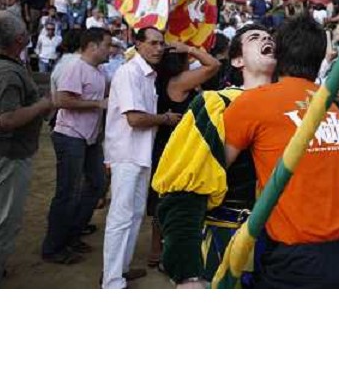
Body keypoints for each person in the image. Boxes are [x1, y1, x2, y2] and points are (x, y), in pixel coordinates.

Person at [223, 15, 339, 288]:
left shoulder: (251, 103)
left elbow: (216, 169)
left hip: (302, 260)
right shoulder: (328, 105)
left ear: (278, 53)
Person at [154, 24, 274, 288]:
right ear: (237, 60)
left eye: (269, 37)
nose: (266, 38)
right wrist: (187, 275)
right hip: (227, 242)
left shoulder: (295, 106)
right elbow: (182, 191)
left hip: (280, 249)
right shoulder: (216, 104)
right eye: (255, 38)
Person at [101, 28, 182, 289]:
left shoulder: (146, 75)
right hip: (126, 153)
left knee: (134, 215)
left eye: (161, 44)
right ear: (138, 44)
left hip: (139, 153)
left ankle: (120, 271)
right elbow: (135, 119)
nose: (159, 48)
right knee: (120, 217)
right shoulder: (129, 73)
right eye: (153, 43)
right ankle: (112, 281)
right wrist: (165, 119)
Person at [145, 42, 220, 269]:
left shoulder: (161, 79)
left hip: (164, 144)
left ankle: (156, 250)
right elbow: (214, 64)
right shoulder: (179, 81)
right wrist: (190, 48)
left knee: (162, 196)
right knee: (175, 198)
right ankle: (162, 251)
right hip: (178, 146)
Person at [41, 28, 111, 264]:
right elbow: (61, 100)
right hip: (70, 135)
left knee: (97, 183)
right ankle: (53, 247)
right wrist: (98, 104)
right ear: (92, 46)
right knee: (67, 192)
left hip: (87, 137)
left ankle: (72, 233)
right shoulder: (75, 67)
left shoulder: (98, 70)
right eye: (107, 45)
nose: (110, 50)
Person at [0, 12, 53, 286]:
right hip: (8, 154)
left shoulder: (6, 67)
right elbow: (7, 119)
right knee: (4, 220)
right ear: (19, 39)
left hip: (7, 153)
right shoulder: (7, 71)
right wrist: (41, 106)